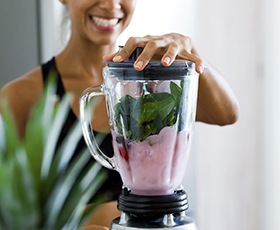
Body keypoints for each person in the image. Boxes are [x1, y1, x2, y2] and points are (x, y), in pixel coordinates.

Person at [0, 0, 239, 228]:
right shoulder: (21, 97)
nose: (111, 5)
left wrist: (189, 49)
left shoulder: (151, 80)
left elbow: (227, 114)